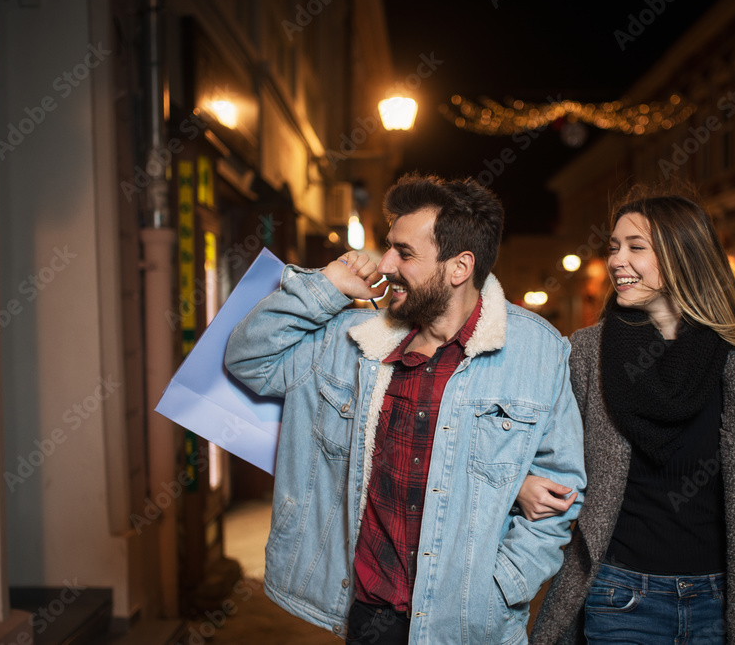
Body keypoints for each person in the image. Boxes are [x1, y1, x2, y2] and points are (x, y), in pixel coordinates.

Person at [224, 173, 585, 645]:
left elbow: (560, 494)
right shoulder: (349, 337)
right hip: (371, 615)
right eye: (389, 246)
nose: (386, 263)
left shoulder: (538, 351)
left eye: (405, 253)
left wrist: (503, 586)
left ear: (459, 267)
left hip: (472, 624)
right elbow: (248, 359)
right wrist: (328, 284)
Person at [522, 192, 735, 644]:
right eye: (613, 246)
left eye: (635, 247)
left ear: (682, 254)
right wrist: (523, 482)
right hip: (621, 596)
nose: (617, 260)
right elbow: (530, 442)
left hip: (722, 602)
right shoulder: (588, 352)